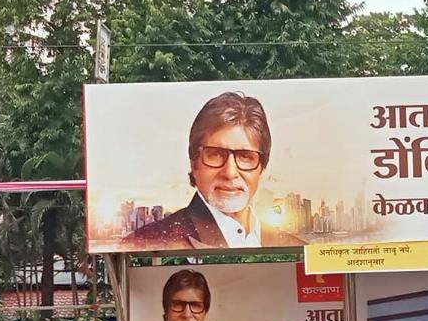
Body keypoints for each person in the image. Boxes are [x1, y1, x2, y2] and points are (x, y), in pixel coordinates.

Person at [124, 91, 303, 250]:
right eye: (216, 154)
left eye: (245, 156)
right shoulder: (146, 241)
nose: (230, 172)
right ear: (194, 163)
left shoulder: (295, 246)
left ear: (261, 168)